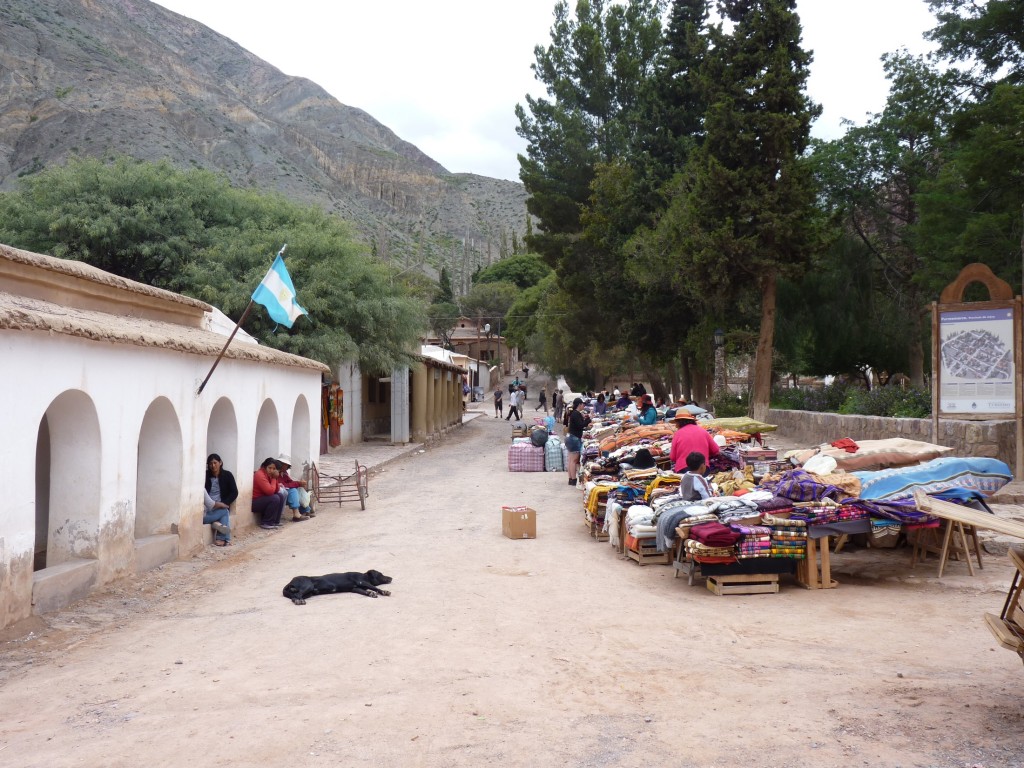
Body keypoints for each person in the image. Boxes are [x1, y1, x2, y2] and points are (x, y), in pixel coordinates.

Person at [204, 453, 238, 546]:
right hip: (208, 509)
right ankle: (224, 538)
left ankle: (220, 534)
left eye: (215, 463)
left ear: (220, 463)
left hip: (221, 505)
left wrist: (224, 502)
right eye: (210, 463)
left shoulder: (227, 475)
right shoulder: (205, 476)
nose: (213, 465)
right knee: (225, 511)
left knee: (223, 510)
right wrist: (222, 505)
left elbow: (234, 492)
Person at [275, 454, 311, 521]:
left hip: (283, 491)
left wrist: (299, 484)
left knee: (298, 489)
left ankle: (305, 510)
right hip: (277, 492)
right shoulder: (276, 472)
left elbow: (290, 482)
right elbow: (283, 485)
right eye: (282, 464)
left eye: (285, 464)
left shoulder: (284, 473)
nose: (284, 466)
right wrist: (297, 483)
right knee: (293, 490)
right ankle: (296, 514)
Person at [565, 397, 592, 486]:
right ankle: (573, 479)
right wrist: (589, 419)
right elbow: (580, 425)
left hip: (570, 437)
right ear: (579, 405)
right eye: (582, 404)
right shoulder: (576, 414)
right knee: (574, 460)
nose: (583, 406)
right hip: (574, 438)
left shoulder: (574, 414)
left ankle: (570, 478)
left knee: (570, 460)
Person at [252, 457, 285, 529]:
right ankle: (266, 522)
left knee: (280, 495)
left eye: (274, 469)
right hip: (255, 502)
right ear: (264, 467)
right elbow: (270, 492)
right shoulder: (260, 474)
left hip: (264, 499)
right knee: (275, 498)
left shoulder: (269, 474)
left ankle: (275, 521)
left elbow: (276, 490)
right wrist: (273, 478)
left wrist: (275, 478)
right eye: (269, 468)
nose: (271, 470)